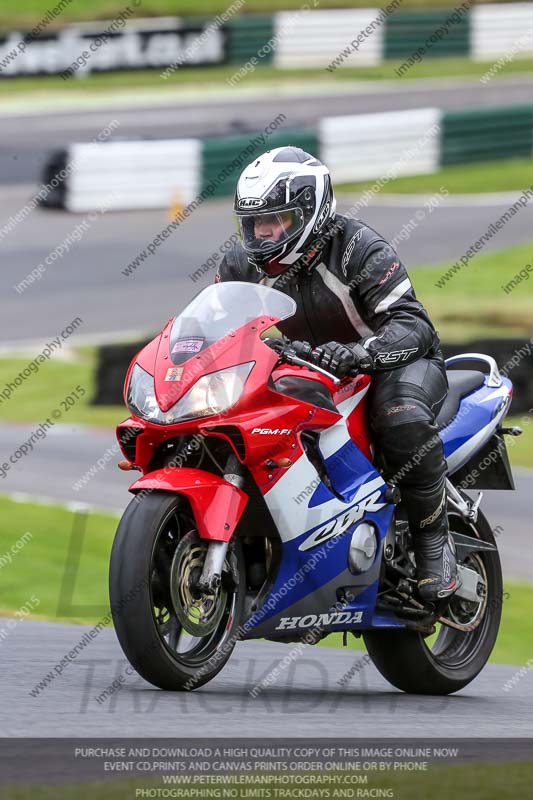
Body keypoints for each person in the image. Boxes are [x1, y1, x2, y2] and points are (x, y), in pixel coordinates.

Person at [215, 145, 457, 602]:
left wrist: (361, 353)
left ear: (309, 213)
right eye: (254, 224)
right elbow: (218, 331)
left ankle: (433, 543)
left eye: (276, 221)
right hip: (306, 372)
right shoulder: (239, 266)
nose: (262, 234)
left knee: (400, 419)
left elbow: (414, 325)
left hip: (395, 366)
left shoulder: (358, 249)